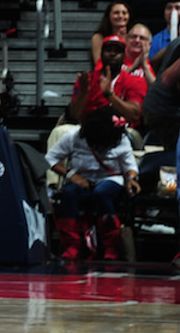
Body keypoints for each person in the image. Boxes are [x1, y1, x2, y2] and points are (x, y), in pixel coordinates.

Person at [46, 109, 140, 261]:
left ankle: (111, 246)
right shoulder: (72, 137)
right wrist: (72, 175)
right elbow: (51, 159)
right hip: (81, 179)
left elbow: (129, 165)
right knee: (69, 194)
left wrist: (131, 179)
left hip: (109, 179)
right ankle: (72, 245)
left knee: (101, 193)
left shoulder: (121, 138)